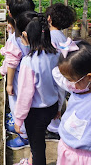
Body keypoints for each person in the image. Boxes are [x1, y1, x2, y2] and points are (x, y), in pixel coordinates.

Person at [13, 11, 61, 165]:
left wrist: (18, 119)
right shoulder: (56, 55)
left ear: (27, 36)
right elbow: (60, 85)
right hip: (52, 106)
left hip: (36, 113)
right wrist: (59, 107)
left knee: (37, 145)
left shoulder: (29, 62)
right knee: (38, 141)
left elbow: (25, 95)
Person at [3, 0, 36, 150]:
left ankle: (23, 136)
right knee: (31, 105)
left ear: (11, 14)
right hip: (34, 76)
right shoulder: (35, 30)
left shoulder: (16, 38)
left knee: (19, 106)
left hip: (19, 78)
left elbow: (11, 63)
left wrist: (9, 84)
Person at [44, 3, 77, 140]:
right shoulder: (62, 37)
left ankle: (55, 130)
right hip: (61, 75)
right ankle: (55, 125)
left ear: (49, 19)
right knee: (58, 101)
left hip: (53, 76)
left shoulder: (50, 37)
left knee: (52, 104)